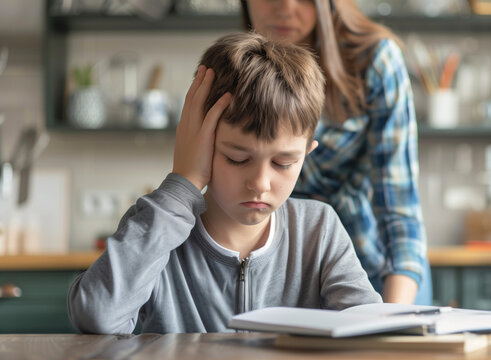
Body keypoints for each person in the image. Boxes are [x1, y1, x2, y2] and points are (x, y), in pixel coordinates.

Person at [67, 32, 381, 334]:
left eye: (283, 163)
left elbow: (368, 328)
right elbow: (97, 315)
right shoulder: (157, 229)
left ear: (306, 153)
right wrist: (183, 181)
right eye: (237, 158)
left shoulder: (318, 230)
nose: (260, 183)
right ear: (199, 144)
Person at [241, 0, 431, 304]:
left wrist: (392, 316)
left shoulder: (374, 61)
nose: (285, 7)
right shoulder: (239, 68)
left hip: (377, 270)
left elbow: (399, 209)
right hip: (286, 279)